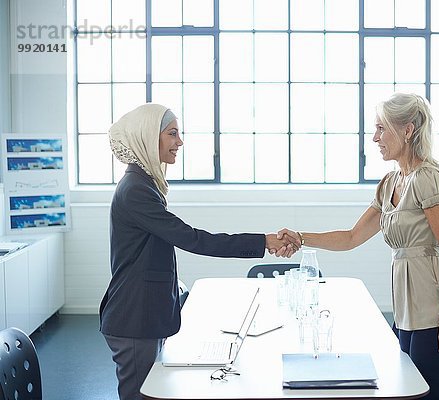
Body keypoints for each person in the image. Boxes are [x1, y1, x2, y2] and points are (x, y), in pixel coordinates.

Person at [99, 103, 296, 400]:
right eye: (172, 133)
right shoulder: (136, 189)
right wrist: (263, 241)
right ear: (148, 136)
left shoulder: (142, 183)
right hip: (134, 316)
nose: (180, 142)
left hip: (142, 313)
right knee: (139, 396)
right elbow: (192, 239)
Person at [279, 93, 439, 399]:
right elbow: (352, 237)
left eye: (381, 129)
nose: (374, 137)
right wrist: (300, 238)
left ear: (407, 130)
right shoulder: (390, 183)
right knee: (406, 390)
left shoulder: (428, 180)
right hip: (407, 312)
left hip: (436, 314)